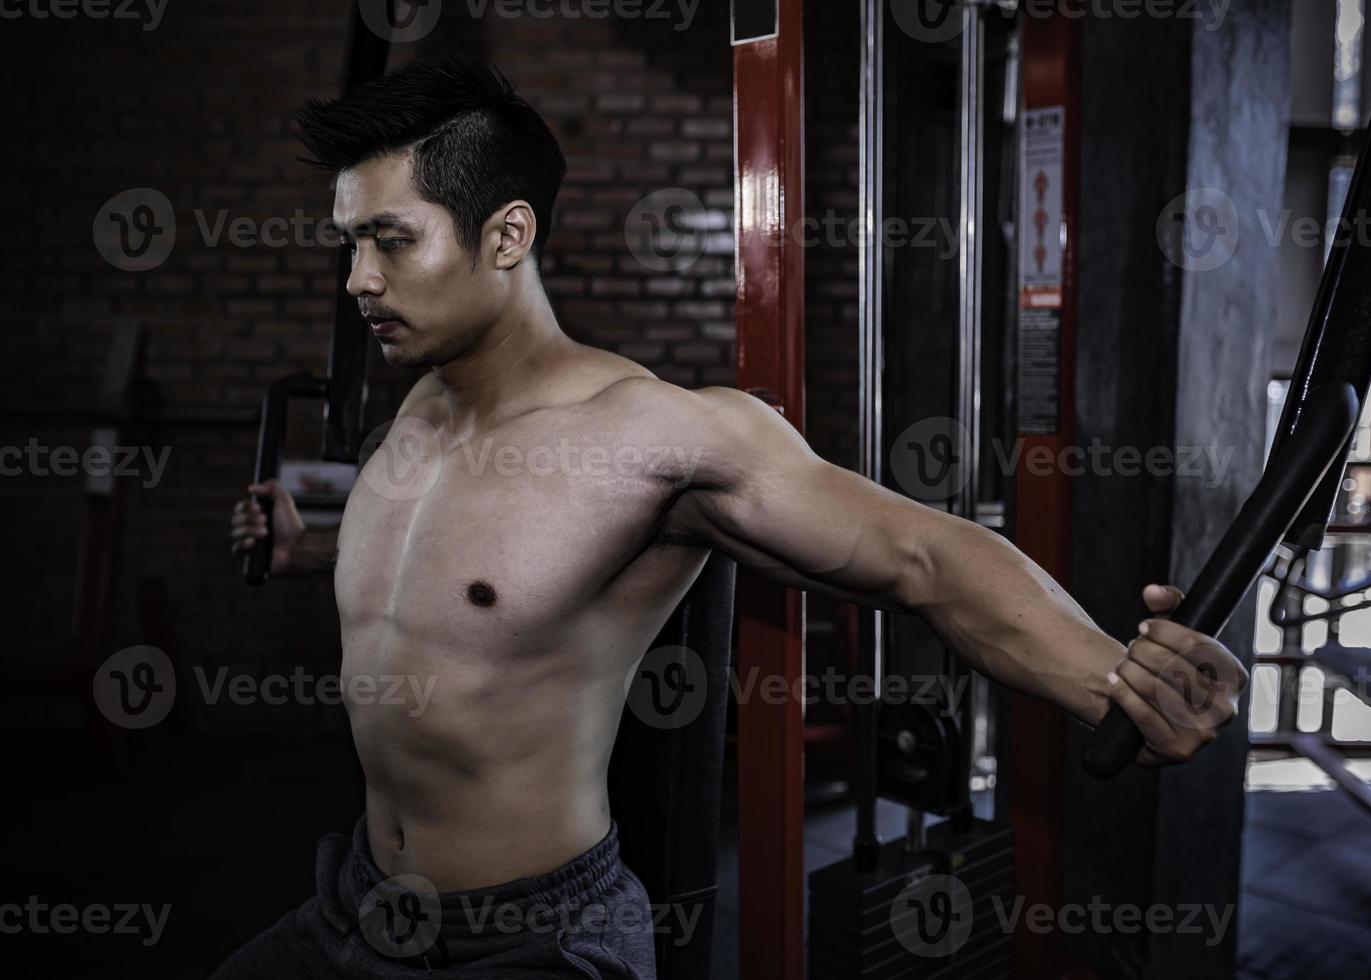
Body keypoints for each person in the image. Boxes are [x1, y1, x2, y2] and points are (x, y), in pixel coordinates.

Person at [219, 56, 1246, 979]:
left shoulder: (653, 436)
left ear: (507, 233)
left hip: (525, 936)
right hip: (354, 902)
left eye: (390, 242)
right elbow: (461, 582)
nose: (359, 279)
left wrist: (1116, 683)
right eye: (352, 244)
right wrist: (318, 547)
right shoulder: (419, 404)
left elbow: (925, 555)